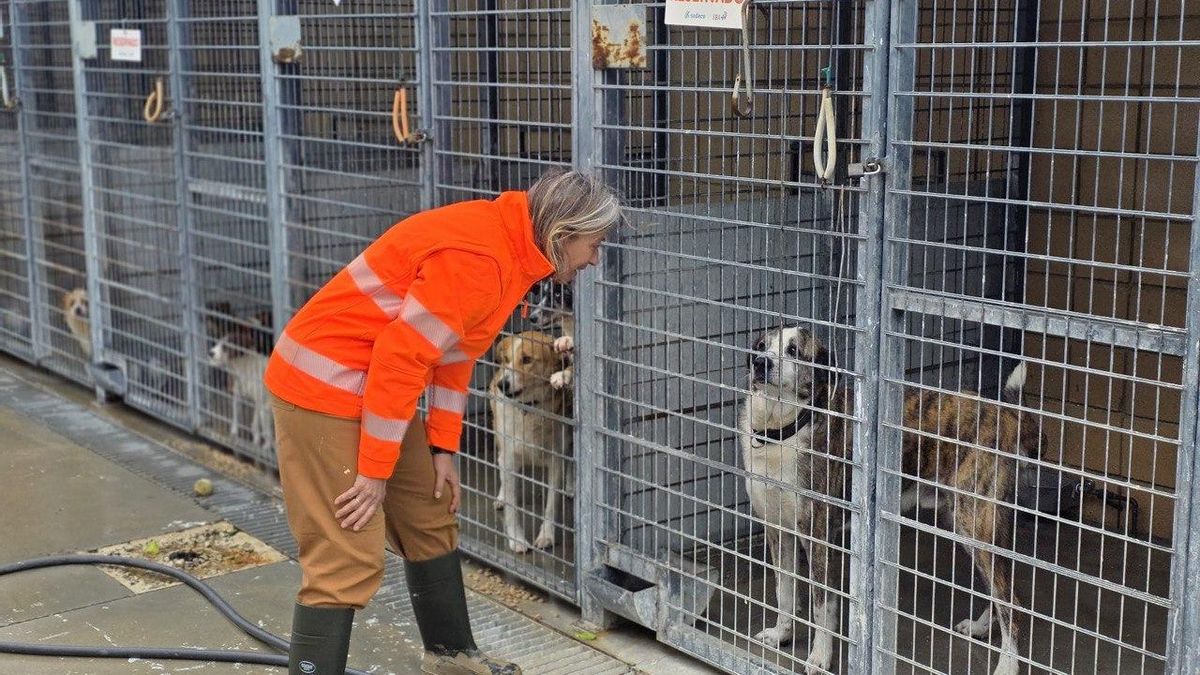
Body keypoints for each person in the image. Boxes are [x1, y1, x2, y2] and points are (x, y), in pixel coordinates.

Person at [264, 169, 623, 675]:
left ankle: (451, 659)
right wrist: (372, 472)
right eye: (594, 244)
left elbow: (454, 354)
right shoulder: (482, 260)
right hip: (322, 384)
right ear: (562, 235)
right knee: (348, 549)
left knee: (431, 510)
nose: (595, 259)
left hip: (372, 386)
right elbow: (399, 360)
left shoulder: (514, 251)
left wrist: (442, 450)